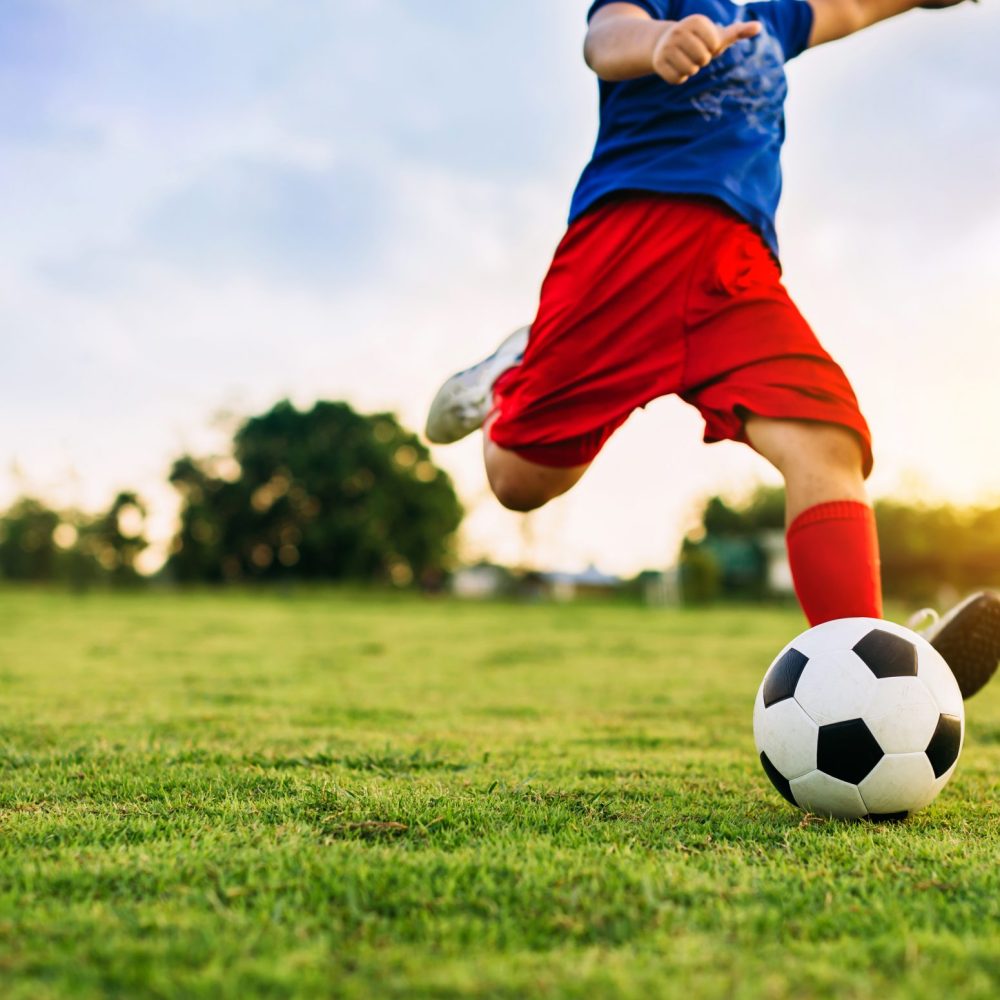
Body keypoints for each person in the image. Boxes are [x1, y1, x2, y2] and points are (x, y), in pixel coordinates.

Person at [425, 0, 999, 697]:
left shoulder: (773, 17)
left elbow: (850, 7)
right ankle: (508, 381)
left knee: (828, 440)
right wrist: (659, 40)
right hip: (627, 249)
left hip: (736, 272)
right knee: (519, 481)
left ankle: (867, 672)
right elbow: (604, 38)